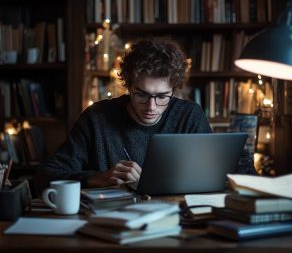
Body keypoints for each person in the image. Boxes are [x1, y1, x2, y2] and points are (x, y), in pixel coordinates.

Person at [34, 37, 212, 194]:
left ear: (173, 90)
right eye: (141, 94)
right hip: (110, 221)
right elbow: (44, 176)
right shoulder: (96, 118)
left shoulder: (189, 115)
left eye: (162, 96)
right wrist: (96, 179)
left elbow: (213, 174)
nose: (151, 106)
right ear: (128, 86)